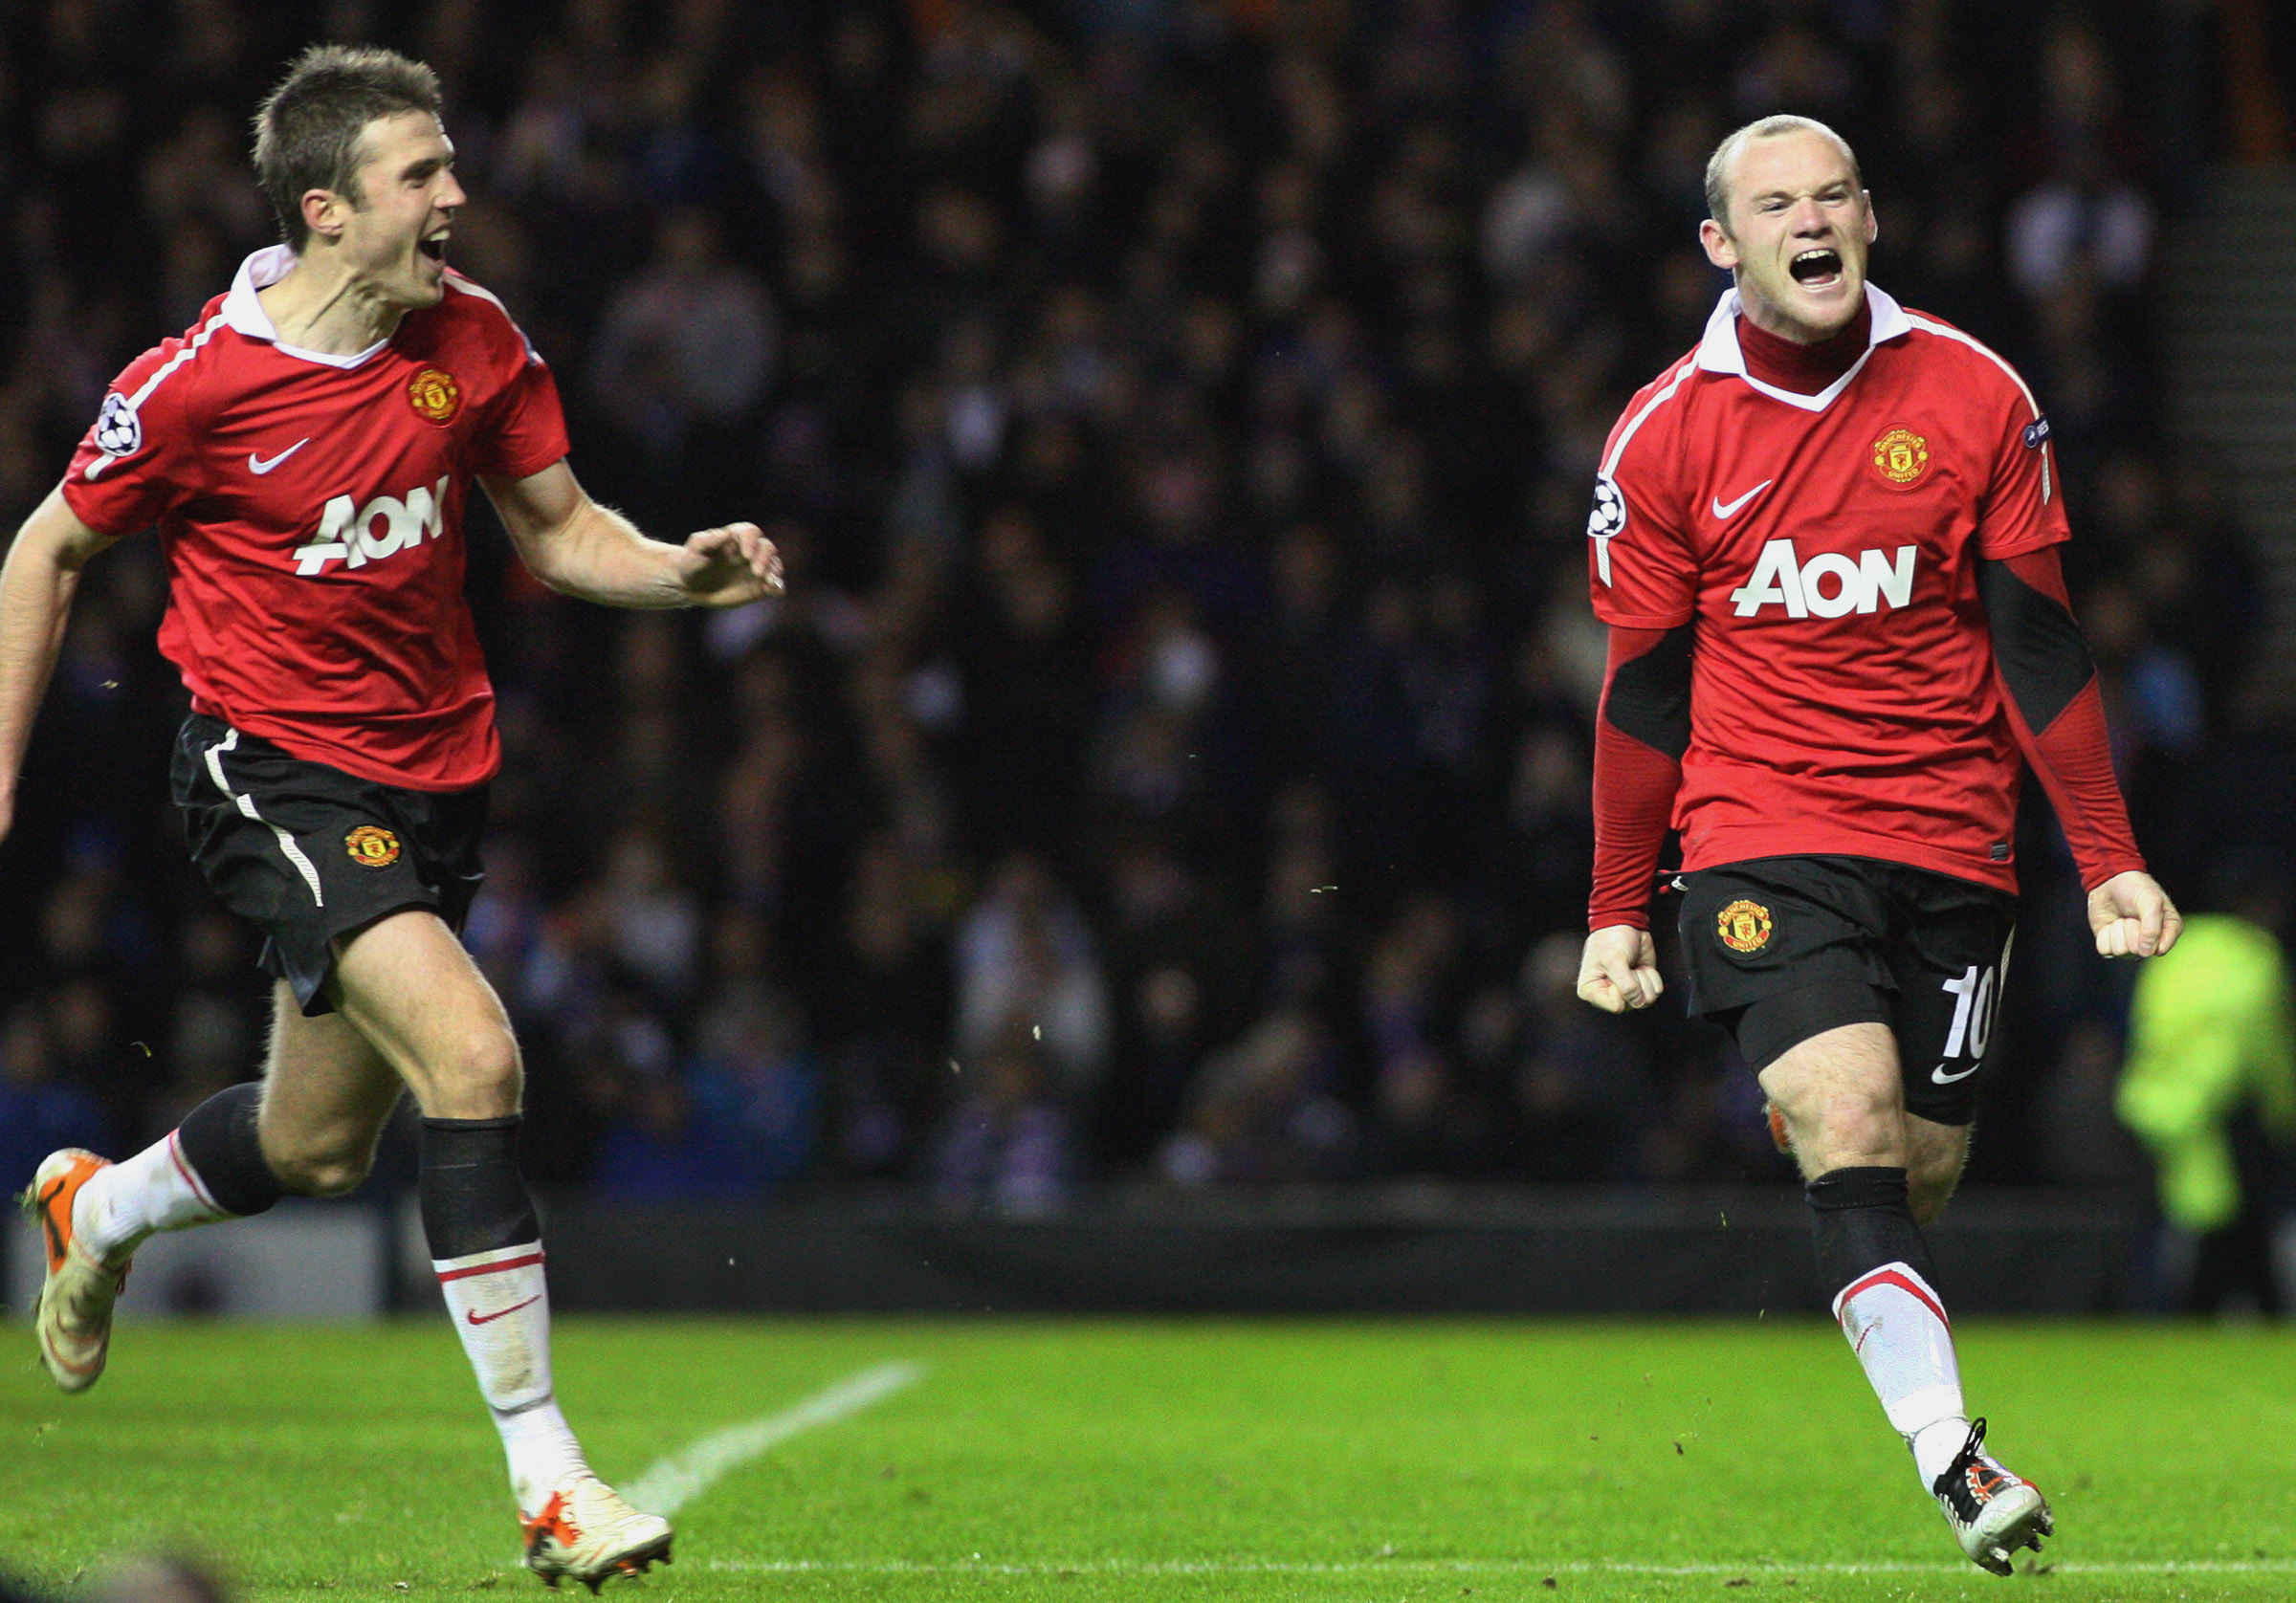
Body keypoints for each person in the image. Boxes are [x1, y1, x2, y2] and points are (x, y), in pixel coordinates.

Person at [0, 47, 782, 1590]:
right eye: (421, 176)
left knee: (318, 1144)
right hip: (269, 765)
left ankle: (98, 1210)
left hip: (432, 776)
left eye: (448, 167)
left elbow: (561, 534)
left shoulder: (473, 340)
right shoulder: (196, 383)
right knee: (476, 1054)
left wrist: (684, 570)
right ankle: (553, 1483)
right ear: (326, 211)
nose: (456, 199)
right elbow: (42, 554)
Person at [1573, 115, 2181, 1575]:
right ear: (1721, 245)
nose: (1813, 217)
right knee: (1852, 1124)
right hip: (1757, 832)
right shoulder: (1665, 436)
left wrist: (2107, 855)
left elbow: (2039, 643)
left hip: (1955, 843)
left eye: (1835, 190)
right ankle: (1957, 1463)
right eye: (1775, 202)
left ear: (1870, 217)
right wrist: (1611, 902)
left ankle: (1827, 1123)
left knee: (1913, 1169)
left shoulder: (1974, 393)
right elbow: (1647, 688)